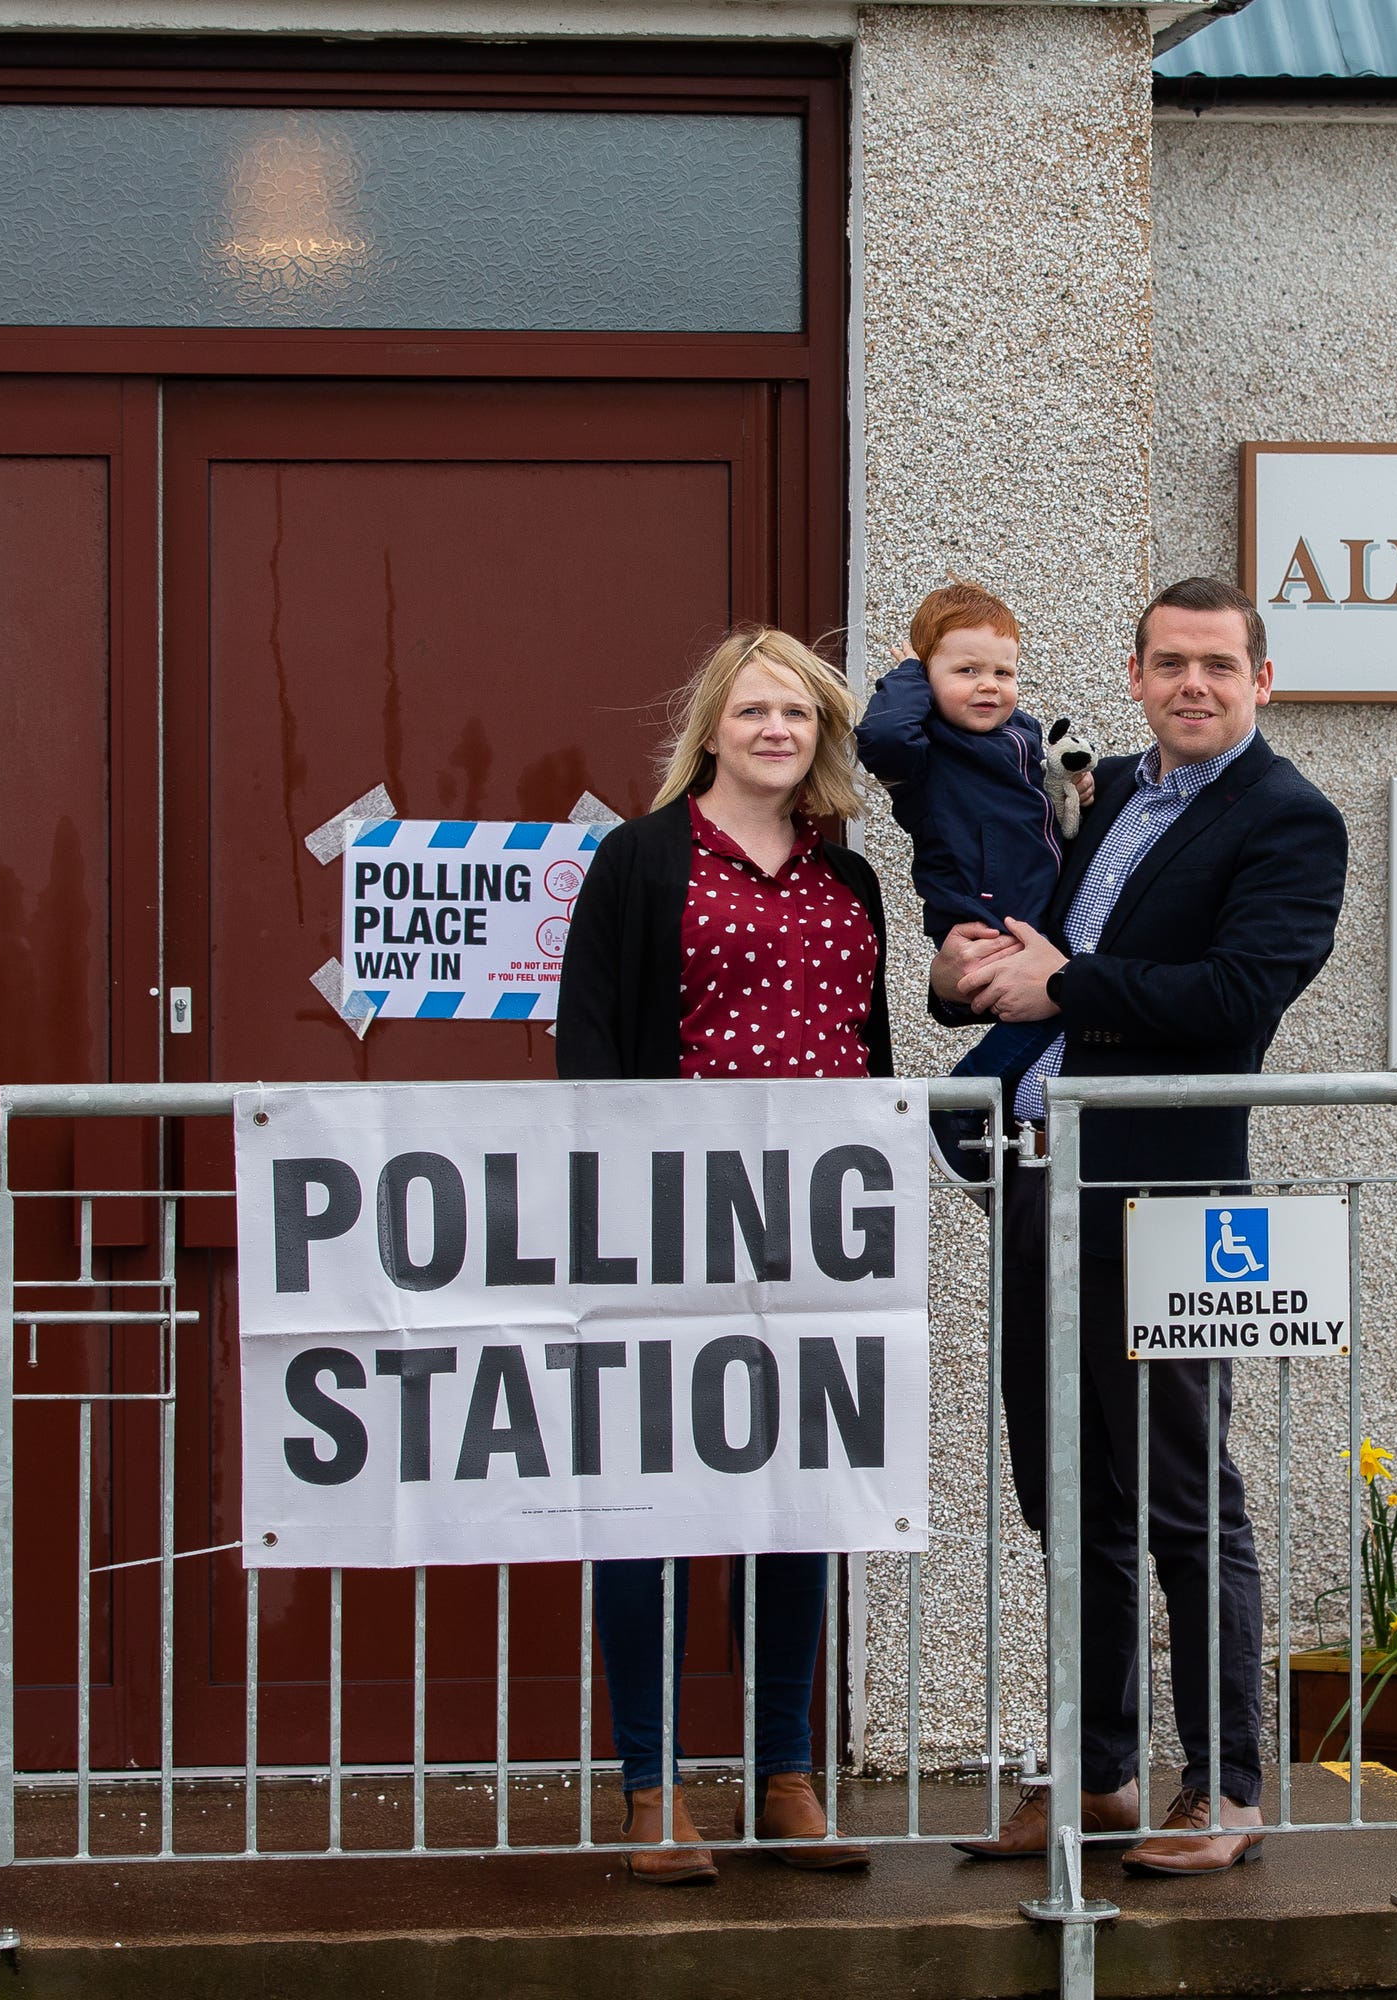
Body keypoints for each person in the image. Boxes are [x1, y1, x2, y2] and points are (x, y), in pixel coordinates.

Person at [934, 576, 1346, 1876]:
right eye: (1170, 663)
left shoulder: (1292, 822)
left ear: (1262, 680)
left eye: (1219, 665)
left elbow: (1233, 998)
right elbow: (1034, 969)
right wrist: (968, 976)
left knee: (1184, 1498)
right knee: (1069, 1498)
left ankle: (1223, 1790)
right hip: (1040, 1181)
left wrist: (1063, 981)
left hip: (1167, 1199)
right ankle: (1100, 1775)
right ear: (1134, 674)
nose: (1193, 685)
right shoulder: (1104, 791)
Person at [555, 625, 889, 1884]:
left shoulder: (846, 881)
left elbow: (871, 1062)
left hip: (813, 1237)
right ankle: (652, 1789)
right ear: (711, 727)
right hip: (667, 1228)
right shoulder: (640, 865)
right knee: (649, 1504)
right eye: (753, 709)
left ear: (821, 738)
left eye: (797, 715)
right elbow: (588, 1050)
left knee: (793, 1501)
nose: (775, 730)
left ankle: (785, 1776)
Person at [852, 583, 1083, 1136]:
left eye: (1003, 673)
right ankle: (957, 1108)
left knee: (1050, 1014)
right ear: (928, 680)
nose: (988, 685)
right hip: (984, 919)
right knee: (1049, 1013)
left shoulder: (1020, 734)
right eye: (965, 671)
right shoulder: (925, 754)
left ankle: (975, 1111)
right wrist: (907, 673)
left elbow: (1039, 798)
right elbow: (880, 736)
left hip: (1034, 913)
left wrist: (1073, 785)